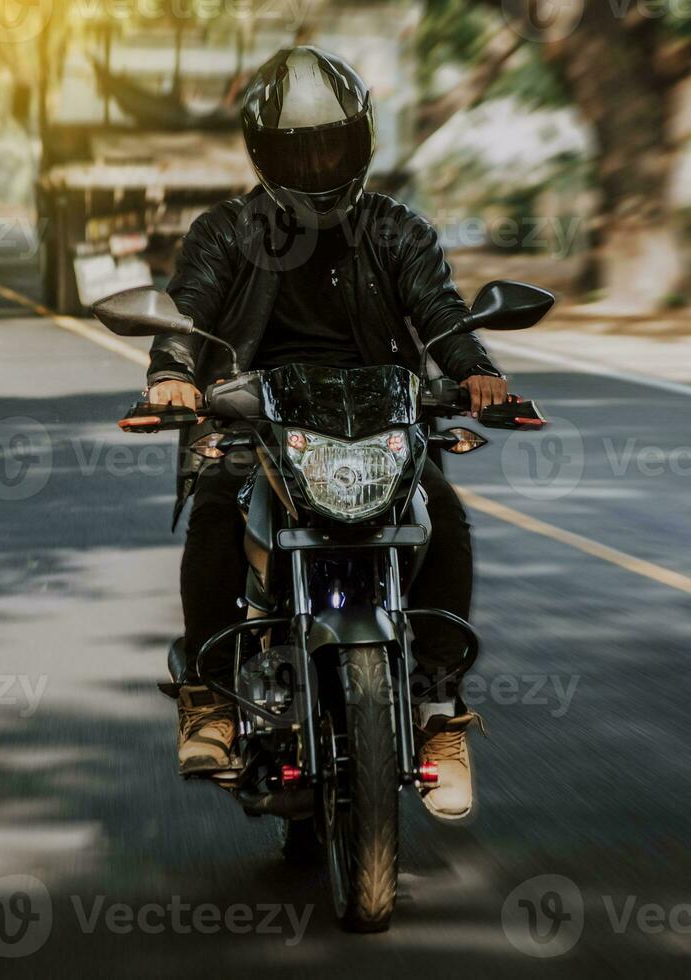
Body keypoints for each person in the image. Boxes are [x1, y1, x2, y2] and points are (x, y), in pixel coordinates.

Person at [145, 46, 508, 820]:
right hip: (254, 420)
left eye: (329, 144)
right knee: (215, 512)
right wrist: (173, 372)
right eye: (296, 149)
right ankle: (208, 699)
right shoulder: (225, 232)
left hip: (377, 422)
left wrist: (474, 368)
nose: (315, 164)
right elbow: (188, 311)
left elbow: (441, 311)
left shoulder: (396, 230)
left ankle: (440, 711)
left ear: (361, 140)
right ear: (262, 152)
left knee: (441, 515)